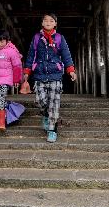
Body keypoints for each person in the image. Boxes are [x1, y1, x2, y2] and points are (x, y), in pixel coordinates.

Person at [22, 13, 76, 143]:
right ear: (42, 23)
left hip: (55, 75)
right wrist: (27, 72)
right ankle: (45, 115)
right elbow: (30, 56)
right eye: (45, 20)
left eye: (51, 21)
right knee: (40, 101)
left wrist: (71, 70)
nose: (48, 22)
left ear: (55, 24)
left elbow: (66, 55)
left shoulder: (59, 38)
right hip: (39, 74)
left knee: (54, 104)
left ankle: (52, 131)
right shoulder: (36, 38)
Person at [0, 29, 23, 132]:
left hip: (5, 80)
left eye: (2, 41)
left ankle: (1, 123)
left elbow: (17, 66)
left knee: (0, 99)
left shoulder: (12, 51)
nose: (0, 44)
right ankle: (0, 120)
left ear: (7, 40)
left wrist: (16, 79)